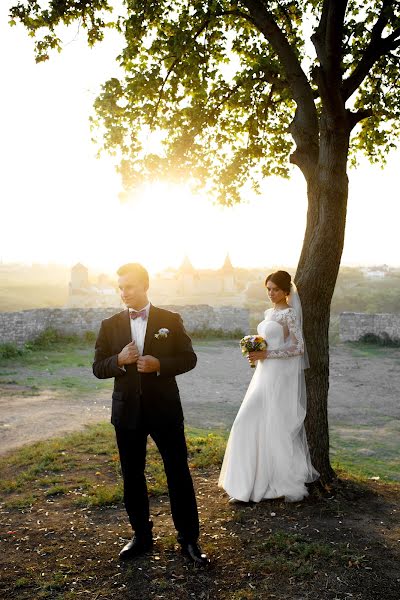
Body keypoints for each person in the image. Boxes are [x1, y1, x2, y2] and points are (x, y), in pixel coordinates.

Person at [93, 262, 209, 565]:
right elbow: (97, 368)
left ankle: (189, 540)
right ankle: (141, 537)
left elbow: (189, 358)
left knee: (178, 474)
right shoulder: (109, 325)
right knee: (132, 476)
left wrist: (160, 365)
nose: (123, 293)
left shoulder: (170, 319)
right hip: (126, 413)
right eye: (120, 287)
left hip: (165, 410)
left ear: (145, 286)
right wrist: (118, 359)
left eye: (128, 287)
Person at [218, 270, 319, 503]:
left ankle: (270, 484)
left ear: (286, 291)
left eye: (275, 289)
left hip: (279, 378)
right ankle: (245, 486)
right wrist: (255, 352)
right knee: (249, 423)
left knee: (270, 425)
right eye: (268, 289)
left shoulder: (290, 315)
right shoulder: (269, 312)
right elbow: (268, 341)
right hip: (263, 375)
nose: (271, 293)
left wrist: (268, 353)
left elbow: (298, 348)